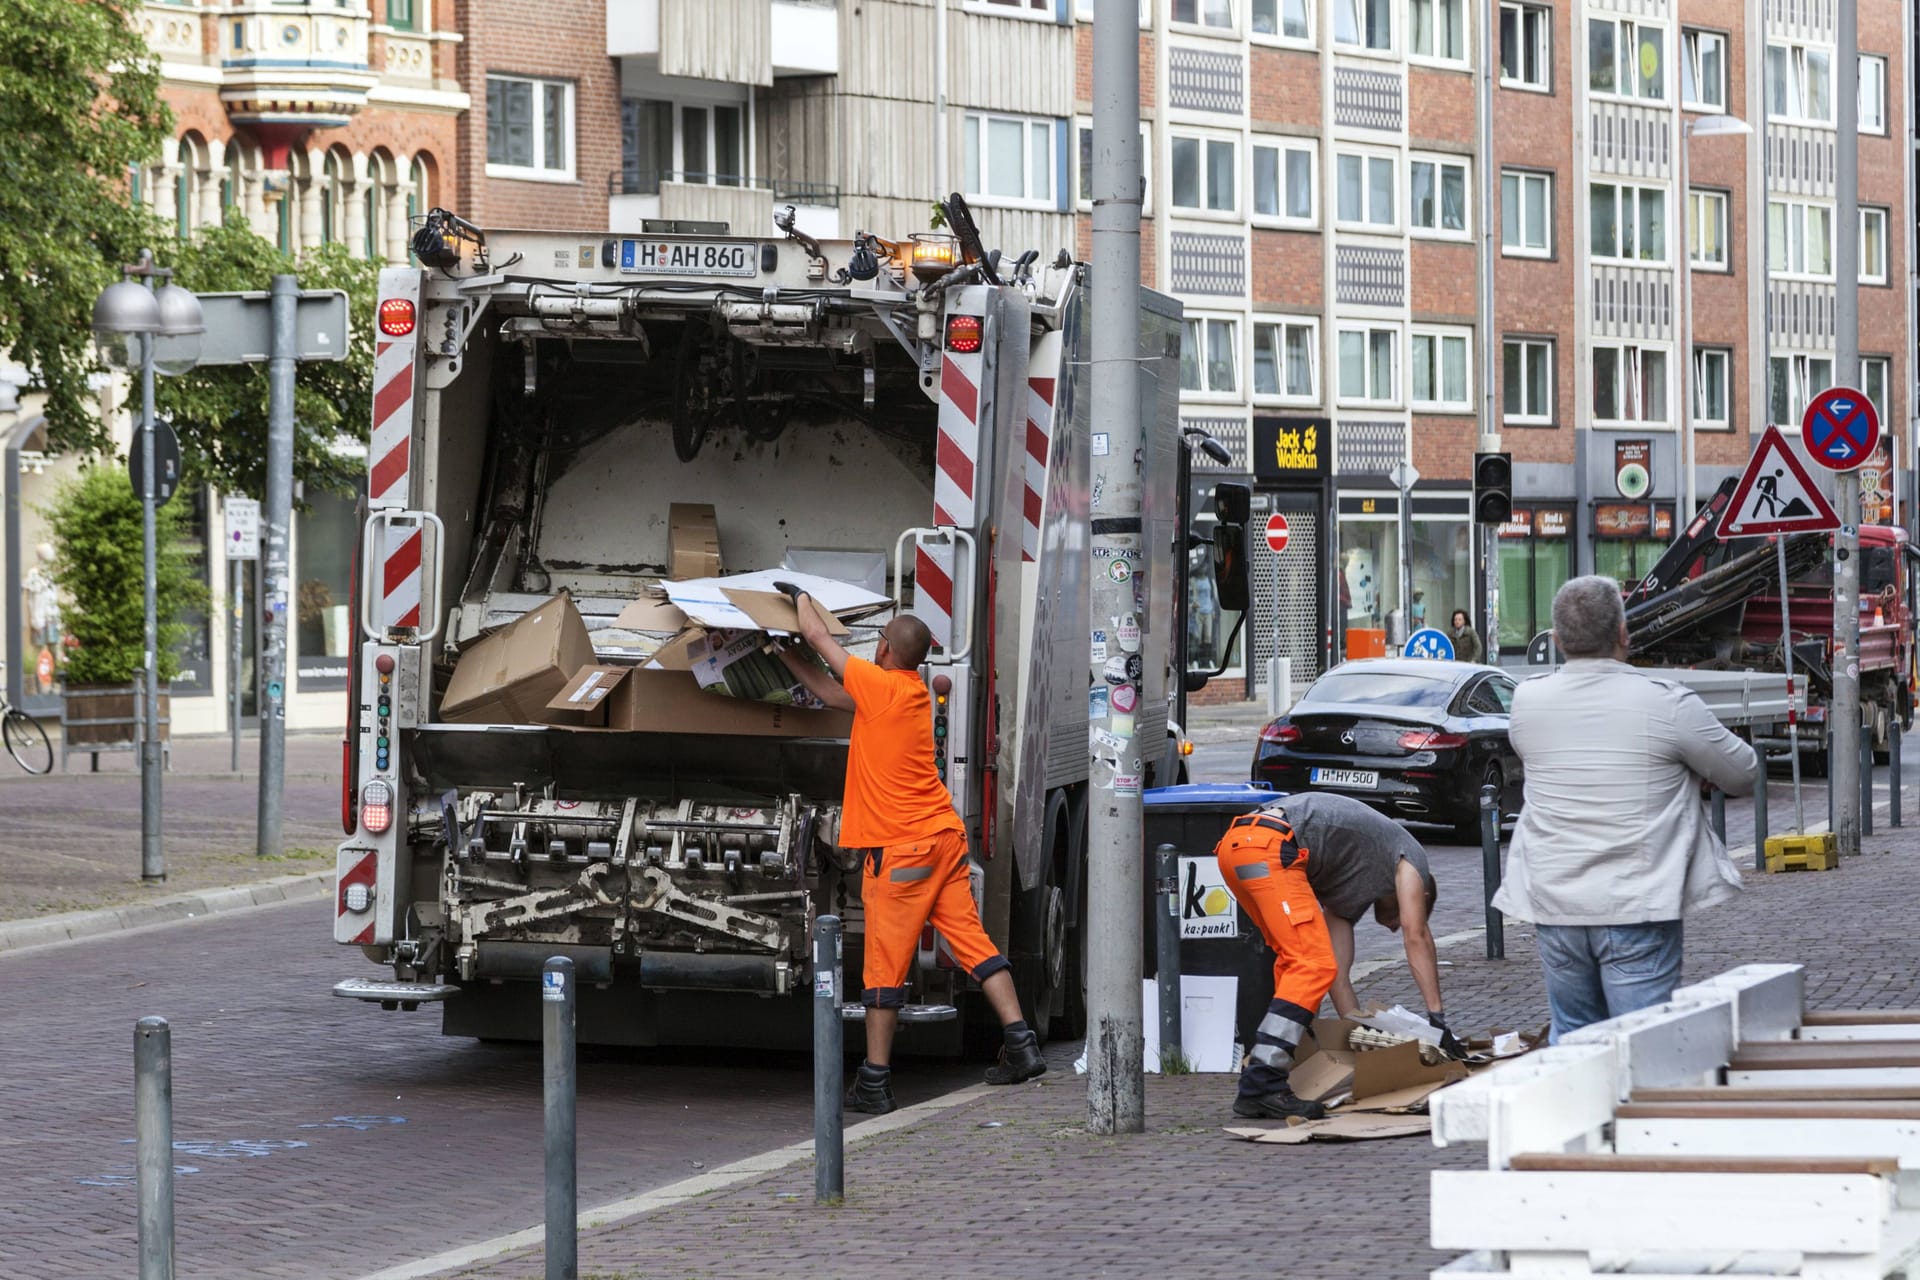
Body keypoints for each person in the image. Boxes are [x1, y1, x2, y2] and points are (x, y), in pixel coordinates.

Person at [778, 594, 1044, 1114]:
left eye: (877, 641)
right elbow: (832, 694)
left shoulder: (880, 684)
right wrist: (779, 655)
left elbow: (817, 637)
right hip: (942, 839)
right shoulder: (905, 691)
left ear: (883, 649)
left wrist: (798, 598)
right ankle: (1021, 1044)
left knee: (883, 967)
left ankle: (874, 1081)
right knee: (972, 943)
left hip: (903, 851)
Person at [1495, 576, 1757, 1043]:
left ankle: (1580, 1117)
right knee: (1641, 1047)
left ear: (1556, 641)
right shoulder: (1665, 702)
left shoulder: (1527, 701)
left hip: (1556, 904)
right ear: (1623, 632)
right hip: (1636, 903)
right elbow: (1743, 772)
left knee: (1573, 1042)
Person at [1259, 793, 1458, 1049]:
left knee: (1307, 963)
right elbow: (1415, 936)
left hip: (1246, 842)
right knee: (1308, 965)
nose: (1394, 927)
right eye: (1405, 915)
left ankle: (1281, 1058)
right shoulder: (1411, 857)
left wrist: (1362, 1039)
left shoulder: (1347, 893)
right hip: (1273, 840)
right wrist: (1437, 1020)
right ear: (1421, 894)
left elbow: (1337, 976)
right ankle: (1270, 1065)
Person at [1211, 806, 1336, 1120]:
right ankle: (1263, 1081)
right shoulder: (1402, 860)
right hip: (1268, 847)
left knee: (1292, 960)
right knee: (1314, 963)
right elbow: (1415, 934)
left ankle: (1269, 1076)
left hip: (1234, 848)